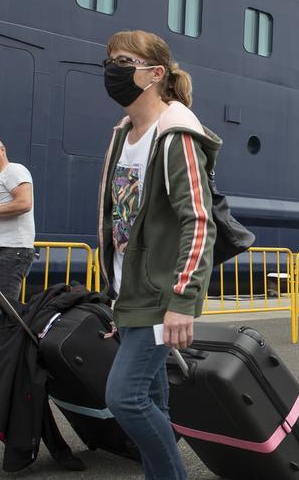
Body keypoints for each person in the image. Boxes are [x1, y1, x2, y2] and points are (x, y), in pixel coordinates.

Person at [98, 30, 218, 480]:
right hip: (132, 294)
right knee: (151, 401)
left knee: (124, 398)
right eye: (109, 61)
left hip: (160, 295)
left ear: (155, 73)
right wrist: (115, 295)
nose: (112, 70)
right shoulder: (124, 135)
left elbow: (199, 220)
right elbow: (119, 224)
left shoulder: (175, 135)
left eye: (124, 61)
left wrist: (182, 301)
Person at [0, 136, 36, 313]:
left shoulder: (14, 171)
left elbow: (24, 203)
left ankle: (8, 340)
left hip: (12, 249)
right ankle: (4, 340)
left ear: (2, 150)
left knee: (6, 310)